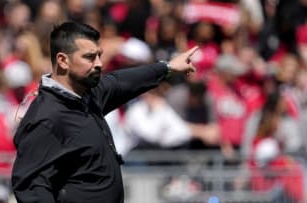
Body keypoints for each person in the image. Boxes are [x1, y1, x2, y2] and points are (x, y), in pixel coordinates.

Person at [11, 21, 199, 203]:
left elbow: (122, 82)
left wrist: (168, 67)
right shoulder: (45, 116)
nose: (99, 63)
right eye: (90, 57)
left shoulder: (88, 95)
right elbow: (30, 186)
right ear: (63, 61)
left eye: (99, 55)